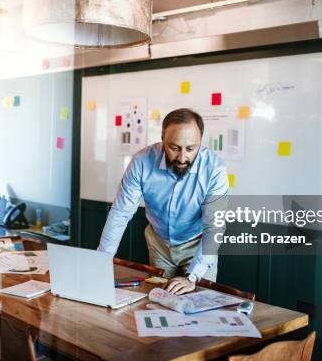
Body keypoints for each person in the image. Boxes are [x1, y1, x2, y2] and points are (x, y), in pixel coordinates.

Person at [97, 108, 229, 295]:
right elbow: (121, 212)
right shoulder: (142, 162)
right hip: (159, 244)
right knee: (160, 300)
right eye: (174, 148)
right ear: (162, 139)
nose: (182, 158)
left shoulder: (215, 170)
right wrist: (101, 261)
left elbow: (213, 227)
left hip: (197, 245)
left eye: (191, 149)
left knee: (198, 305)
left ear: (200, 141)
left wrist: (192, 277)